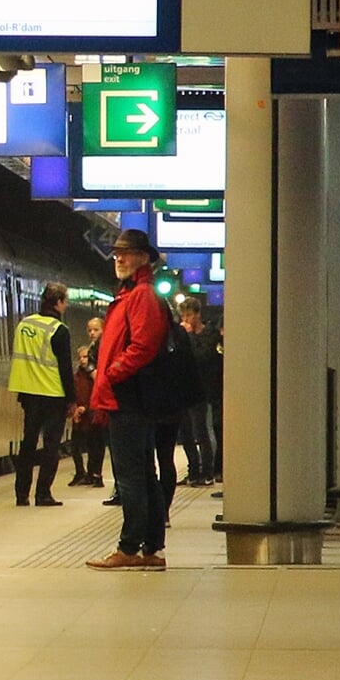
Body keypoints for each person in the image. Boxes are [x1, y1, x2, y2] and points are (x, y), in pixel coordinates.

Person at [85, 229, 173, 571]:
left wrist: (111, 373)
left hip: (130, 397)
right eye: (117, 252)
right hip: (130, 396)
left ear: (143, 258)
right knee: (143, 475)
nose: (118, 258)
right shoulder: (131, 294)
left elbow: (142, 347)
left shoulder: (141, 296)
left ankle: (130, 547)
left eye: (126, 253)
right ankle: (151, 549)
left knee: (131, 476)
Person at [7, 282, 76, 507]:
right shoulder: (59, 330)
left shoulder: (23, 325)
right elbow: (66, 368)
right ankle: (43, 494)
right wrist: (72, 400)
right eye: (64, 302)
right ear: (57, 302)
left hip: (28, 394)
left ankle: (21, 494)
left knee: (27, 444)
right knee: (50, 446)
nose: (65, 307)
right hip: (53, 394)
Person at [177, 296, 221, 487]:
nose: (186, 320)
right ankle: (193, 470)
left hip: (202, 390)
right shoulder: (180, 334)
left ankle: (208, 471)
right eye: (183, 316)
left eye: (189, 315)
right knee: (186, 432)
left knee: (202, 430)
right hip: (183, 390)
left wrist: (190, 337)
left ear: (197, 314)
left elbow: (202, 357)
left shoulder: (209, 334)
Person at [67, 339, 106, 488]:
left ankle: (94, 474)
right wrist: (74, 408)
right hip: (80, 417)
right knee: (76, 446)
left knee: (94, 446)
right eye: (81, 357)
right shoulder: (76, 376)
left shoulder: (95, 376)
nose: (83, 360)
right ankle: (80, 473)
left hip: (93, 416)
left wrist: (88, 407)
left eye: (86, 357)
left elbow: (99, 392)